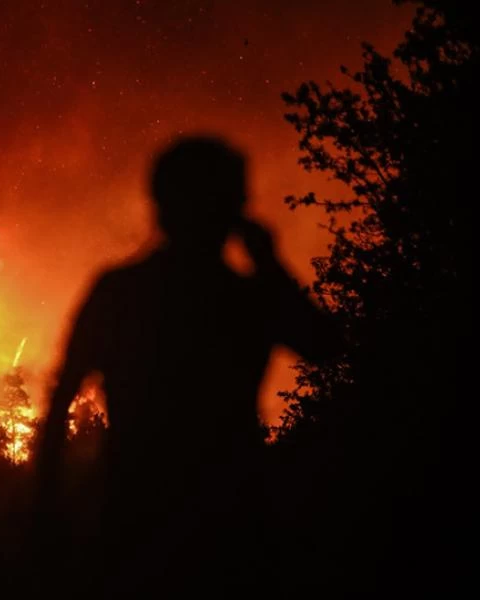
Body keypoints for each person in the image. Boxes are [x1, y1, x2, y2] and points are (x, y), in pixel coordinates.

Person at [33, 135, 340, 594]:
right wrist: (270, 264)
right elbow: (325, 346)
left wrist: (45, 508)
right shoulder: (245, 298)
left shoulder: (120, 292)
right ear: (234, 209)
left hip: (137, 525)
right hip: (231, 531)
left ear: (159, 206)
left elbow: (60, 401)